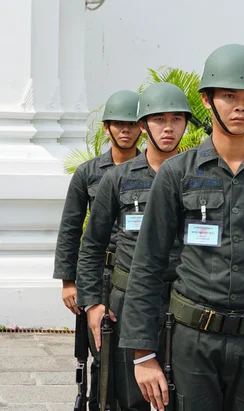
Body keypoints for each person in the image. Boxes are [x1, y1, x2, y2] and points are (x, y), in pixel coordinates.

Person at [119, 43, 244, 411]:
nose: (240, 106)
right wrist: (142, 354)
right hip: (193, 341)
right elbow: (148, 263)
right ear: (208, 101)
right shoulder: (178, 173)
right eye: (228, 95)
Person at [77, 82, 191, 411]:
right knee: (129, 395)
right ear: (143, 126)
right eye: (158, 120)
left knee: (181, 394)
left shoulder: (198, 177)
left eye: (176, 119)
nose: (168, 128)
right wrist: (93, 304)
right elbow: (93, 243)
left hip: (183, 298)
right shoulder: (119, 178)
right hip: (127, 299)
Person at [53, 89, 141, 411]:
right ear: (106, 128)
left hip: (135, 273)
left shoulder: (157, 171)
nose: (125, 130)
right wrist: (69, 282)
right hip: (99, 274)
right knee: (101, 354)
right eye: (118, 124)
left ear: (141, 127)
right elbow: (71, 228)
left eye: (131, 123)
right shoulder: (88, 173)